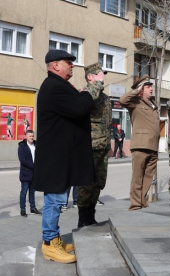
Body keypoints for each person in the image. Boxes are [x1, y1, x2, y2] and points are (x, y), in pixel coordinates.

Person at [32, 49, 103, 264]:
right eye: (68, 62)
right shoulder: (54, 87)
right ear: (55, 65)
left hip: (60, 155)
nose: (72, 65)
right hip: (55, 157)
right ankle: (49, 244)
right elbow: (81, 108)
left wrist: (82, 94)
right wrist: (87, 92)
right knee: (54, 201)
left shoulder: (59, 85)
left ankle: (54, 239)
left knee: (58, 199)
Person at [77, 63, 112, 227]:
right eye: (99, 74)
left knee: (98, 183)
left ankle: (90, 216)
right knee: (86, 184)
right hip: (90, 146)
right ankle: (82, 219)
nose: (102, 76)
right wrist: (96, 83)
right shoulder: (86, 93)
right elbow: (89, 98)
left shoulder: (104, 97)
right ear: (90, 77)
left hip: (103, 146)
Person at [120, 74, 160, 211]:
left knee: (148, 177)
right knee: (138, 176)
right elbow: (122, 100)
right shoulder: (135, 102)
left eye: (151, 86)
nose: (151, 89)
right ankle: (135, 205)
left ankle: (142, 201)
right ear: (141, 89)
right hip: (141, 145)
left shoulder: (153, 104)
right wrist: (136, 90)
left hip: (153, 145)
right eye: (147, 87)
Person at [18, 130, 41, 217]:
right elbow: (22, 160)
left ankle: (33, 208)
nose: (31, 137)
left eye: (32, 136)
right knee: (24, 192)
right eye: (30, 136)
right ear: (26, 137)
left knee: (32, 192)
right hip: (26, 173)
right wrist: (34, 166)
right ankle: (23, 210)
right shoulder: (22, 146)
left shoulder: (36, 145)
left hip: (34, 173)